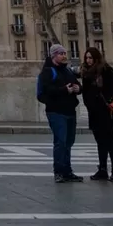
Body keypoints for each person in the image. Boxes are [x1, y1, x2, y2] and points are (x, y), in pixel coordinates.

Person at [38, 44, 84, 183]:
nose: (64, 55)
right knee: (60, 142)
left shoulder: (68, 71)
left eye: (64, 53)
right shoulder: (47, 71)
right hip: (56, 111)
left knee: (69, 142)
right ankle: (58, 171)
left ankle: (67, 171)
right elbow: (46, 91)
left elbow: (77, 85)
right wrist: (64, 90)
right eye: (60, 53)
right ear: (53, 56)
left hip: (70, 110)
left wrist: (78, 88)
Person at [81, 47, 113, 181]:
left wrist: (105, 98)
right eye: (86, 58)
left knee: (110, 141)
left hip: (106, 111)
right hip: (93, 112)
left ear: (96, 58)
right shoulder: (86, 73)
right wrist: (88, 103)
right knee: (99, 142)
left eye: (90, 58)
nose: (88, 60)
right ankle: (102, 169)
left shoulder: (106, 70)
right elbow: (85, 92)